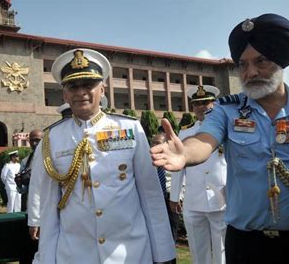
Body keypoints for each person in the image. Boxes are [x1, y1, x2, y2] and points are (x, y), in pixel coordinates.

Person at [151, 13, 289, 264]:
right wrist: (184, 153)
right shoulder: (226, 111)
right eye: (242, 64)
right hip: (247, 246)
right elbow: (204, 140)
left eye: (260, 62)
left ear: (281, 61)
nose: (250, 72)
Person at [31, 48, 175, 263]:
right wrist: (46, 258)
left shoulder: (129, 128)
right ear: (64, 93)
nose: (81, 92)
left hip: (130, 251)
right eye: (73, 86)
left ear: (103, 89)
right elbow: (49, 205)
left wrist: (164, 253)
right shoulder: (51, 138)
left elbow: (150, 194)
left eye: (88, 85)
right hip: (75, 253)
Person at [169, 85, 227, 264]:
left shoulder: (226, 129)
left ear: (214, 104)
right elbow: (179, 165)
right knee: (197, 249)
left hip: (222, 199)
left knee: (222, 251)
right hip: (193, 199)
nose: (201, 107)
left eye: (206, 102)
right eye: (196, 104)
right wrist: (175, 195)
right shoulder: (185, 132)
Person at [151, 133, 181, 243]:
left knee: (171, 232)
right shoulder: (148, 160)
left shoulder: (174, 159)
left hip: (170, 199)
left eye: (157, 143)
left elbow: (182, 179)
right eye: (153, 142)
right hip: (155, 198)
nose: (154, 145)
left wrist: (178, 197)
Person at [17, 129, 43, 212]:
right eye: (32, 141)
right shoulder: (25, 161)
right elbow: (22, 190)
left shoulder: (52, 159)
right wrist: (19, 183)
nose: (35, 143)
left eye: (37, 140)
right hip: (33, 203)